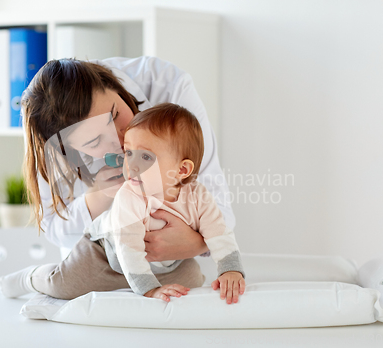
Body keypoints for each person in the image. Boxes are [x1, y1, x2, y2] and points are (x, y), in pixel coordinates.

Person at [20, 57, 236, 296]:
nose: (121, 140)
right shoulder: (50, 131)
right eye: (94, 141)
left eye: (114, 115)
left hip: (169, 261)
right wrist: (98, 199)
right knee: (67, 286)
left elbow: (220, 211)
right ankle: (30, 278)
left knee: (190, 283)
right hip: (101, 258)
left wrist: (196, 243)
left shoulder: (169, 85)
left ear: (114, 85)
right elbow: (54, 228)